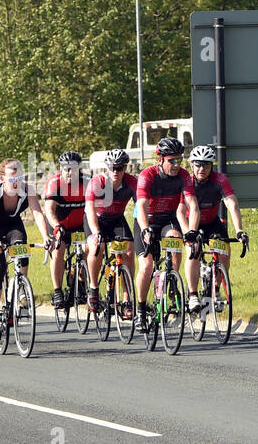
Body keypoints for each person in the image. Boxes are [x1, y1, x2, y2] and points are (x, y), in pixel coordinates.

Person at [0, 157, 49, 344]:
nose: (16, 182)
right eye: (11, 178)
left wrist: (46, 236)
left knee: (22, 248)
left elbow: (37, 213)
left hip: (12, 227)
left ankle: (19, 285)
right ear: (2, 179)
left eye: (19, 177)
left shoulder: (27, 189)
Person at [134, 136, 199, 330]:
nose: (177, 164)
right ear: (160, 159)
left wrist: (193, 231)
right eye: (172, 160)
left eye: (179, 159)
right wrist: (145, 229)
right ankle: (140, 309)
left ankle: (172, 278)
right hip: (147, 219)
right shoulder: (148, 175)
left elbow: (193, 206)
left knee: (176, 238)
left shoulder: (184, 176)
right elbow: (142, 206)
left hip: (167, 219)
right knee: (146, 266)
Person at [182, 144, 248, 312]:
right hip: (192, 222)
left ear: (212, 166)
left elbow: (232, 205)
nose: (201, 168)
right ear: (191, 165)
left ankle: (216, 289)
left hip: (212, 221)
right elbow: (180, 211)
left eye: (206, 164)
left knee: (224, 252)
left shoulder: (219, 180)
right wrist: (187, 233)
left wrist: (239, 230)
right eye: (198, 164)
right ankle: (193, 295)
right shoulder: (187, 182)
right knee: (193, 252)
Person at [84, 148, 135, 312]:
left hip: (117, 219)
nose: (115, 171)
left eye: (119, 168)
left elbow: (142, 204)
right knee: (97, 246)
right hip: (97, 219)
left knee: (128, 252)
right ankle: (93, 287)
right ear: (106, 167)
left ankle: (127, 299)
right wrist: (96, 232)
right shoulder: (97, 183)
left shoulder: (131, 182)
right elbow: (89, 210)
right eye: (111, 167)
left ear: (125, 168)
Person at [43, 150, 89, 309]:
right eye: (66, 168)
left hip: (78, 226)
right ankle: (57, 291)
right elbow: (49, 210)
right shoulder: (54, 183)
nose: (70, 172)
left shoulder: (87, 182)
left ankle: (81, 283)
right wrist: (56, 226)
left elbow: (95, 208)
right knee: (58, 250)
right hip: (59, 224)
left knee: (88, 249)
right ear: (61, 169)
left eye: (74, 169)